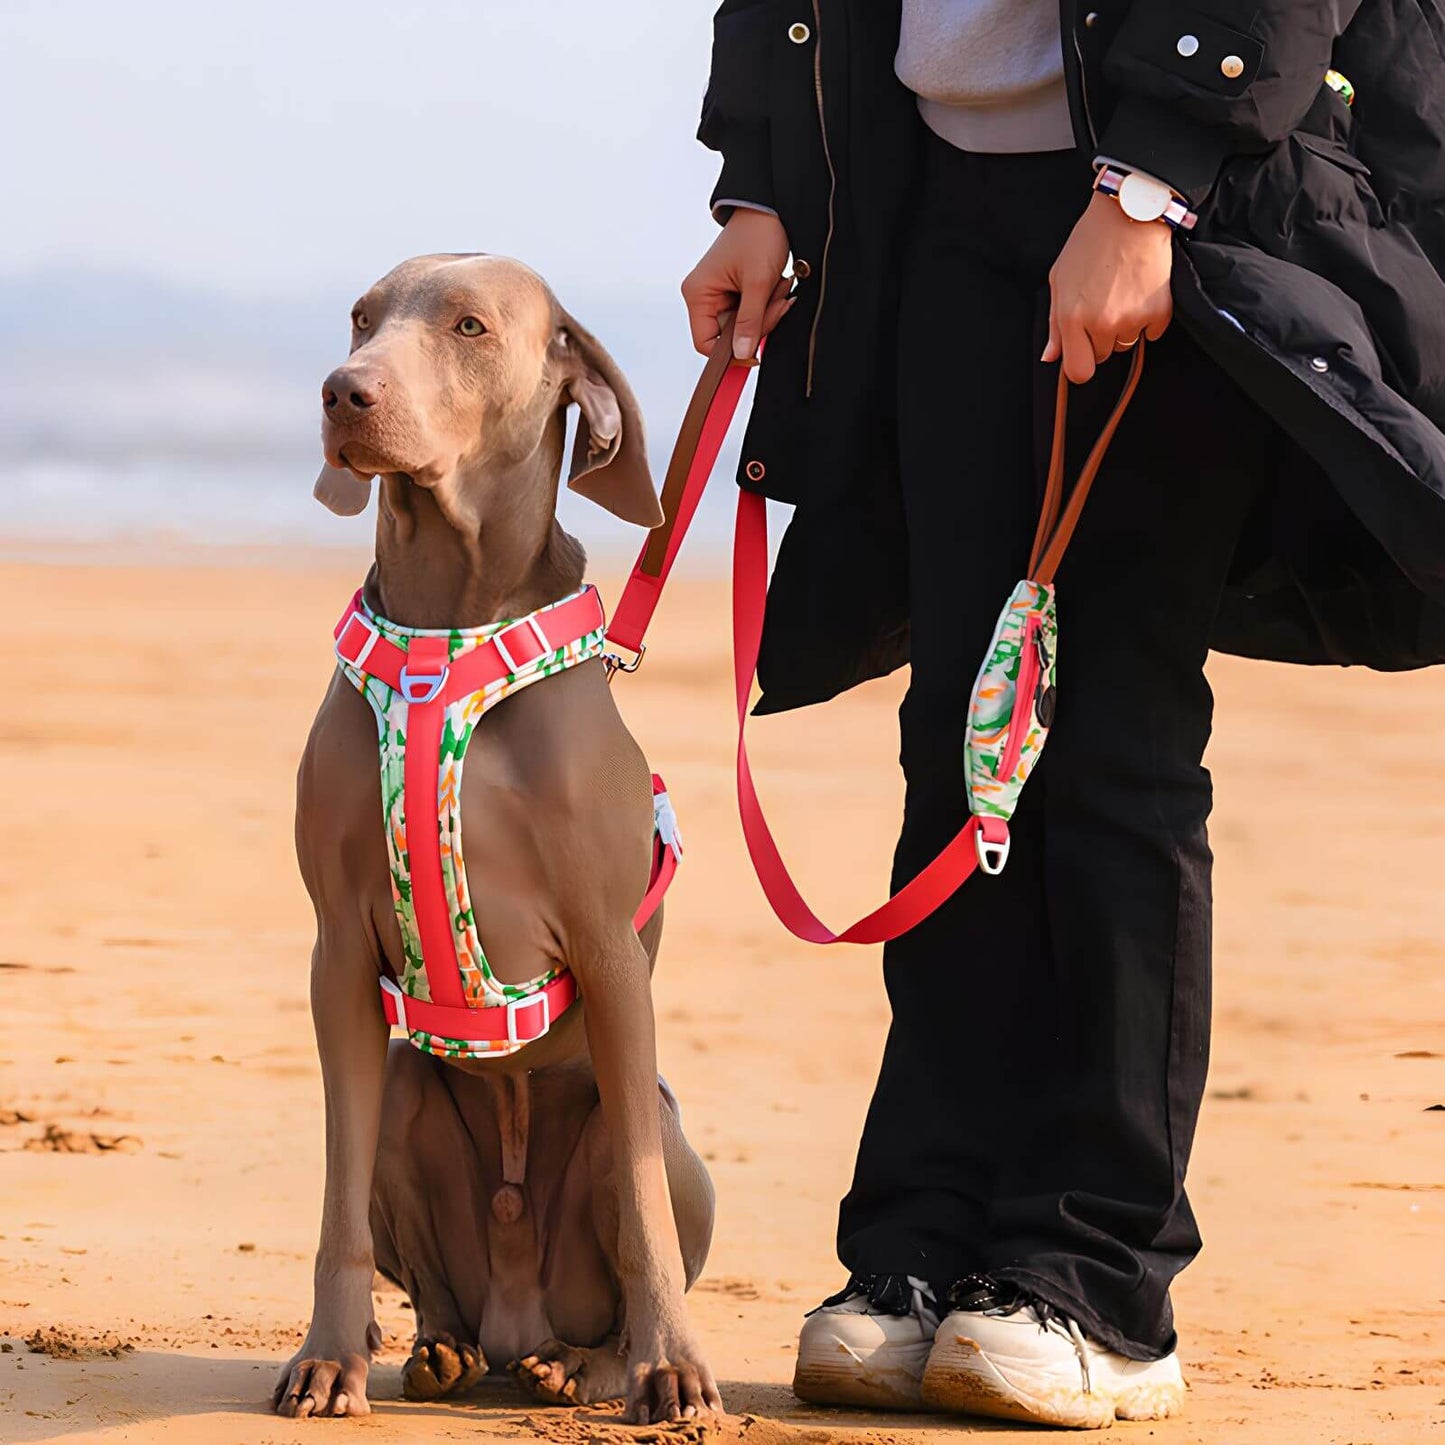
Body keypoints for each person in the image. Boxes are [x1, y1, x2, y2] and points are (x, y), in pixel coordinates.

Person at [682, 0, 1445, 1429]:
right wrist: (767, 183)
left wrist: (1150, 179)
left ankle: (1096, 1275)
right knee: (956, 742)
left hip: (1165, 196)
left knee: (1104, 741)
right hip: (929, 200)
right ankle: (923, 1239)